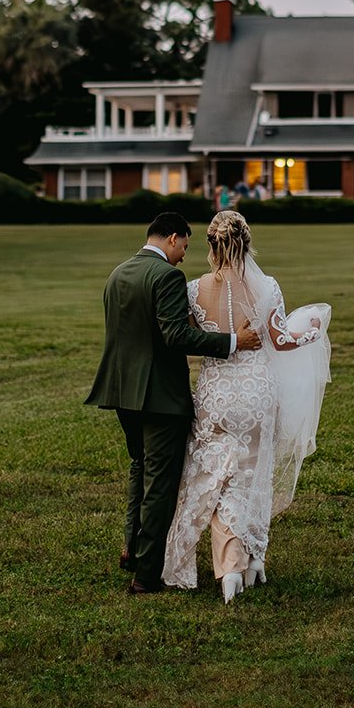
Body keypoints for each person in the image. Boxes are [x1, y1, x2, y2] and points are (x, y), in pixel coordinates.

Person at [86, 211, 262, 595]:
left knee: (140, 469)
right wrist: (234, 342)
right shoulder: (167, 276)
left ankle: (132, 550)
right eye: (185, 244)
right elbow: (175, 336)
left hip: (121, 392)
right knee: (161, 485)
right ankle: (147, 577)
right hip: (160, 398)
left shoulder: (119, 273)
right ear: (172, 238)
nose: (185, 254)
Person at [162, 210, 331, 602]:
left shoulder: (193, 289)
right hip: (257, 394)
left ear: (211, 245)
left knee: (217, 479)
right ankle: (251, 561)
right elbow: (282, 341)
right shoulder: (268, 287)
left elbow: (190, 340)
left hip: (216, 395)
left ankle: (231, 567)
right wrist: (312, 333)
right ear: (247, 243)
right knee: (252, 477)